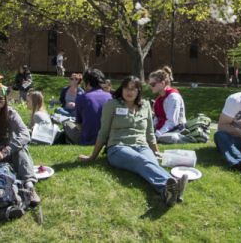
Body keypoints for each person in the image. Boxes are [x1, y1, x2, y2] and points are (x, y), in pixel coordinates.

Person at [78, 76, 188, 206]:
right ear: (122, 89)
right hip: (118, 148)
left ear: (139, 91)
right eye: (126, 88)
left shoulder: (146, 105)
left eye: (133, 89)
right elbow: (103, 132)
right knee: (140, 160)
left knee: (151, 161)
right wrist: (92, 156)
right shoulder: (112, 105)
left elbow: (149, 133)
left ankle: (169, 191)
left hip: (142, 146)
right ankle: (172, 185)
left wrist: (156, 152)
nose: (129, 92)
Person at [149, 66, 188, 143]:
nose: (151, 87)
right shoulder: (159, 99)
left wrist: (157, 134)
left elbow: (172, 122)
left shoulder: (173, 97)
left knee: (171, 138)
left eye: (153, 84)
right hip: (164, 128)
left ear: (162, 83)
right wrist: (150, 131)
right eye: (150, 84)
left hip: (176, 128)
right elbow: (156, 118)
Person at [73, 69, 111, 146]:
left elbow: (79, 124)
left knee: (68, 124)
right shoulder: (110, 97)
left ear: (88, 83)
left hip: (88, 140)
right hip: (107, 140)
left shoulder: (81, 98)